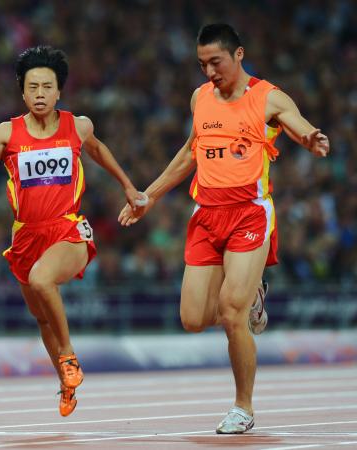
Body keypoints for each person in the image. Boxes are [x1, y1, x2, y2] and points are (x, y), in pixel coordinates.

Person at [118, 24, 330, 434]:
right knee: (194, 318)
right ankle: (252, 294)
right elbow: (189, 152)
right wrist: (150, 195)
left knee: (232, 313)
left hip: (249, 213)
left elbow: (294, 121)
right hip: (207, 215)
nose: (209, 71)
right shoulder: (200, 97)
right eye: (202, 64)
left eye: (215, 62)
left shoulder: (267, 96)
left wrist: (309, 137)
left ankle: (243, 407)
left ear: (238, 55)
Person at [0, 46, 141, 417]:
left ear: (59, 91)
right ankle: (65, 382)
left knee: (42, 280)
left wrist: (127, 186)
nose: (40, 94)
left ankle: (69, 358)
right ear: (22, 92)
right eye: (33, 87)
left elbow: (98, 150)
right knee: (42, 316)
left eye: (47, 86)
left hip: (69, 228)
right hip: (26, 236)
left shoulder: (77, 125)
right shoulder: (6, 132)